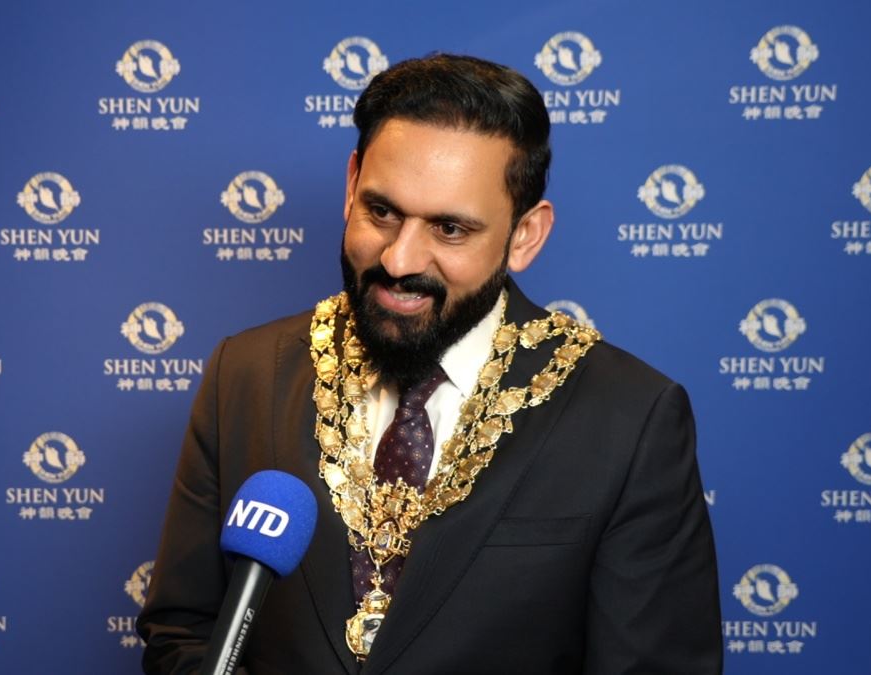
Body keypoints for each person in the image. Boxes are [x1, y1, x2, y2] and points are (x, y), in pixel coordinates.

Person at [137, 54, 722, 674]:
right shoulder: (246, 373)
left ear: (524, 235)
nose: (399, 260)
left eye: (449, 229)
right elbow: (183, 633)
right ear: (351, 185)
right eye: (382, 211)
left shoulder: (630, 417)